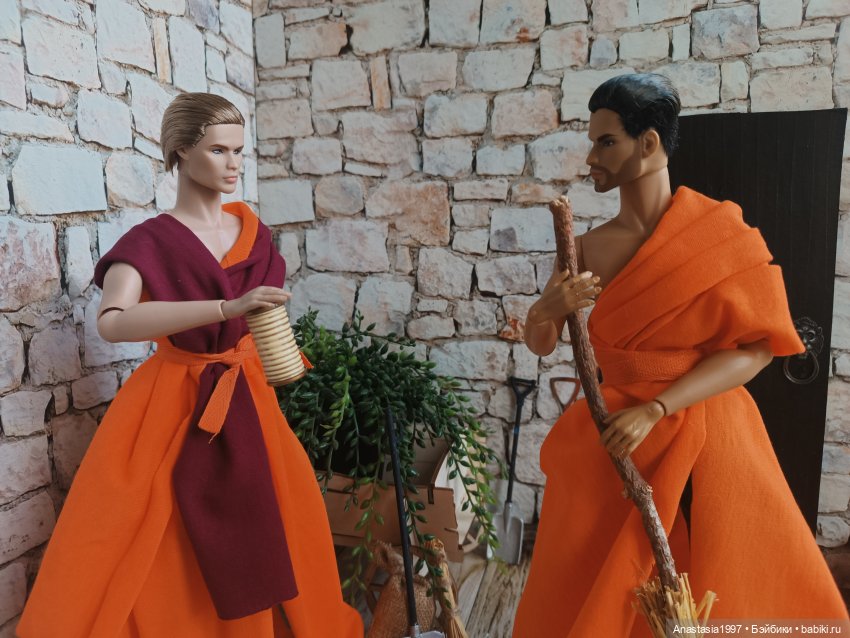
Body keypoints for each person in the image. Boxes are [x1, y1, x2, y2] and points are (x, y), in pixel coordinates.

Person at [513, 73, 848, 637]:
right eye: (593, 142)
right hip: (614, 432)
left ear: (647, 144)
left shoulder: (721, 233)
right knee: (591, 572)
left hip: (710, 428)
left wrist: (658, 407)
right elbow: (543, 343)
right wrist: (544, 311)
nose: (591, 157)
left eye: (606, 142)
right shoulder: (588, 247)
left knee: (724, 569)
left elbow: (758, 349)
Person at [17, 93, 363, 638]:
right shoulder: (149, 242)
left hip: (247, 394)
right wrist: (224, 309)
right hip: (172, 398)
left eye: (239, 151)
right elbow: (112, 322)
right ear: (181, 151)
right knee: (155, 527)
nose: (233, 164)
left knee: (279, 509)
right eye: (219, 150)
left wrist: (268, 342)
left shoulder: (253, 234)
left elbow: (260, 320)